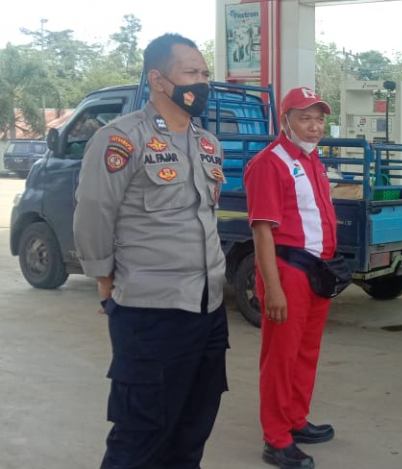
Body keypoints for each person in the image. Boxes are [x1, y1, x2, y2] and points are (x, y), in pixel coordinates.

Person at [74, 33, 228, 468]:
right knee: (140, 437)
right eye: (191, 72)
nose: (202, 81)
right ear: (159, 80)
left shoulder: (207, 143)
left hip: (208, 308)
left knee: (192, 430)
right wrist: (104, 280)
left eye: (204, 73)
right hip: (151, 312)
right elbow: (93, 213)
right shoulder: (122, 139)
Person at [244, 87, 340, 469]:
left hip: (316, 270)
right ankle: (276, 438)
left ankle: (296, 419)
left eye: (319, 119)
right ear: (285, 121)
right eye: (305, 118)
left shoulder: (313, 160)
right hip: (288, 271)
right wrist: (273, 289)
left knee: (305, 352)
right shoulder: (270, 163)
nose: (314, 126)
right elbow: (262, 230)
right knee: (281, 357)